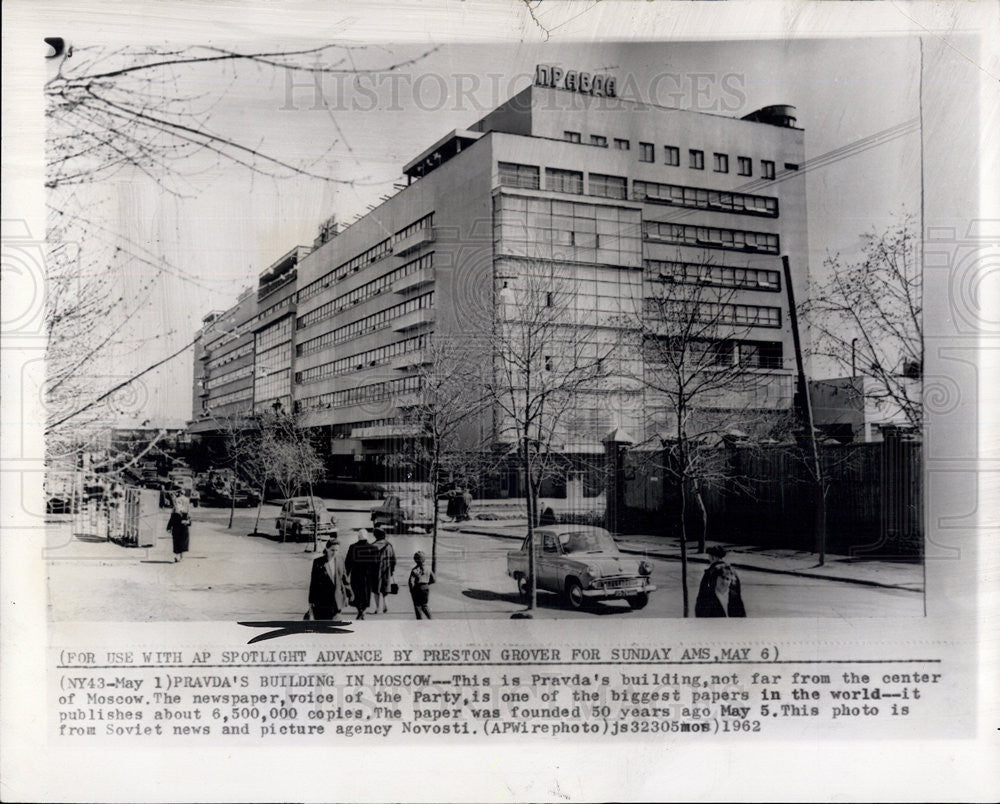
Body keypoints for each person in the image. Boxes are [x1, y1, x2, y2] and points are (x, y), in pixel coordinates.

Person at [695, 546, 746, 617]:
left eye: (709, 556)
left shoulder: (711, 572)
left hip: (714, 614)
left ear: (713, 557)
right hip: (733, 614)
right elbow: (737, 598)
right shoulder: (733, 572)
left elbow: (703, 596)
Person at [308, 536, 349, 620]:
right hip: (322, 601)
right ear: (327, 549)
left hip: (337, 600)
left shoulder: (340, 560)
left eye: (337, 550)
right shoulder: (318, 562)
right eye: (332, 550)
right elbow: (314, 583)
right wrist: (311, 601)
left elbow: (344, 579)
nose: (334, 553)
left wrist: (348, 595)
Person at [345, 528, 376, 620]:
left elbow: (348, 563)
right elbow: (375, 564)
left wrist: (346, 575)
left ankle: (360, 610)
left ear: (358, 537)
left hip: (356, 575)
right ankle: (363, 611)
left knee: (357, 594)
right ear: (367, 536)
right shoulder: (373, 548)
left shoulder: (352, 547)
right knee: (366, 594)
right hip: (368, 576)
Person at [370, 527, 396, 615]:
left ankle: (378, 609)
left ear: (375, 536)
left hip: (375, 572)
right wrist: (392, 570)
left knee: (376, 590)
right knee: (385, 589)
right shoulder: (389, 545)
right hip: (387, 571)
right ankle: (385, 606)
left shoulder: (373, 546)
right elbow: (394, 560)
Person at [408, 550, 435, 619]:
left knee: (417, 605)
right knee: (424, 605)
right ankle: (430, 618)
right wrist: (427, 584)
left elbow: (411, 582)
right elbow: (433, 580)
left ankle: (419, 621)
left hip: (417, 588)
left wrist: (411, 590)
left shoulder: (414, 570)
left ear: (415, 560)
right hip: (426, 587)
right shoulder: (428, 568)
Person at [166, 492, 192, 562]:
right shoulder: (174, 511)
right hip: (176, 529)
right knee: (176, 542)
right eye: (178, 502)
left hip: (183, 529)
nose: (178, 503)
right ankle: (177, 556)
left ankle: (180, 555)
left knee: (182, 542)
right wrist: (168, 527)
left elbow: (190, 521)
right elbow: (171, 519)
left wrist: (187, 522)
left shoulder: (186, 512)